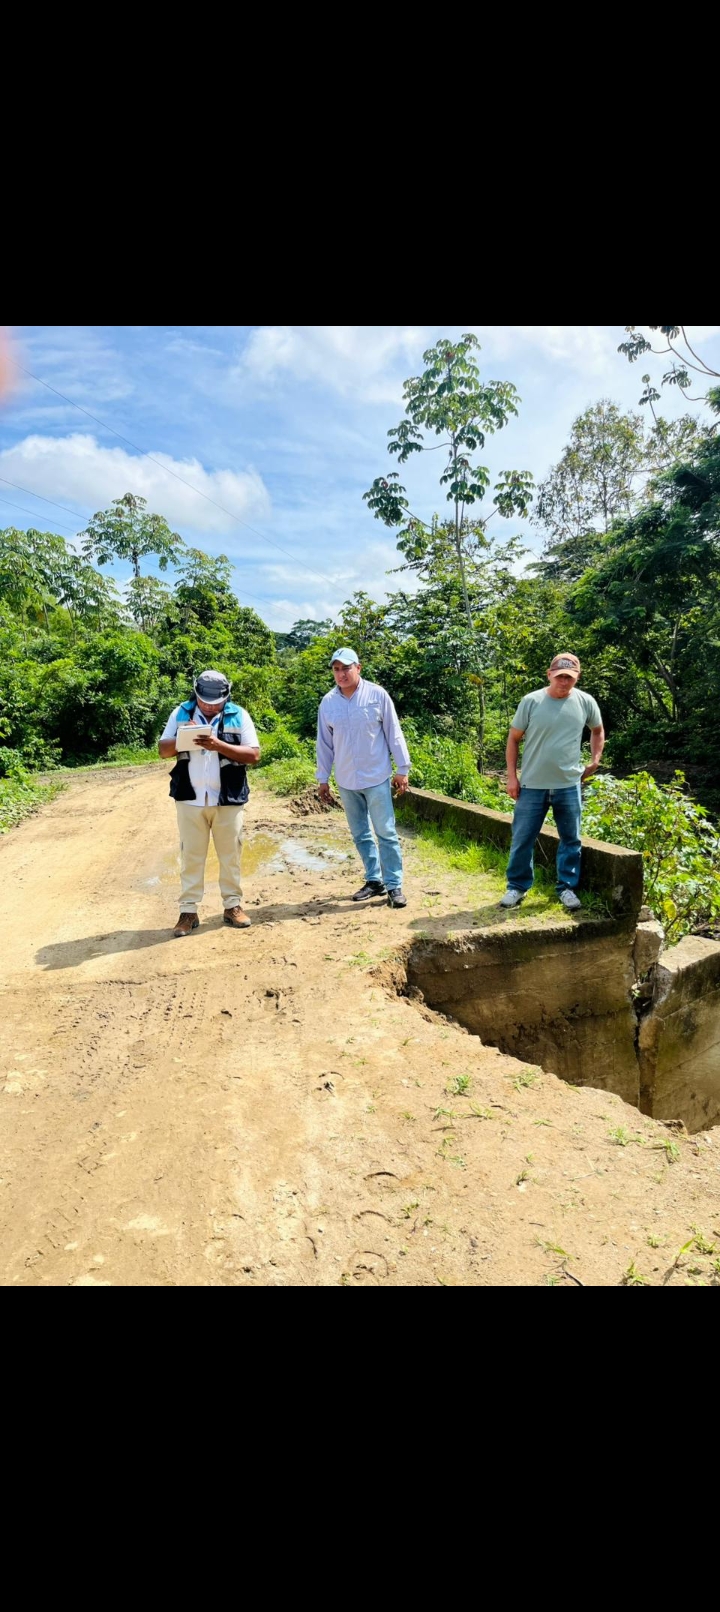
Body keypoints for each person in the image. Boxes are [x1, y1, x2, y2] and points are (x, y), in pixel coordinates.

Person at [158, 669, 260, 937]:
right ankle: (188, 911)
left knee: (231, 855)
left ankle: (232, 906)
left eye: (216, 703)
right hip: (189, 799)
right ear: (196, 693)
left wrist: (218, 745)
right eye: (205, 701)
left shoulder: (239, 715)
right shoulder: (181, 713)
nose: (210, 706)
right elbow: (163, 750)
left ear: (226, 697)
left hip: (228, 798)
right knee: (191, 856)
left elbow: (253, 755)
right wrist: (184, 738)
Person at [500, 653, 604, 911]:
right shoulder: (531, 701)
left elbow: (597, 730)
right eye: (560, 677)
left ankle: (567, 887)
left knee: (571, 839)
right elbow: (513, 738)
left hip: (568, 785)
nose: (564, 682)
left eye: (569, 677)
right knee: (522, 838)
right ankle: (517, 886)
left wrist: (595, 761)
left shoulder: (585, 702)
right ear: (549, 675)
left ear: (577, 677)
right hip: (532, 785)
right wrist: (512, 777)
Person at [316, 648, 411, 908]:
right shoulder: (328, 702)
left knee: (386, 832)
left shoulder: (377, 695)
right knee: (360, 833)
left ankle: (394, 885)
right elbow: (324, 744)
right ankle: (374, 880)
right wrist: (323, 778)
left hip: (376, 776)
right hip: (346, 779)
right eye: (336, 669)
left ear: (358, 668)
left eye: (346, 668)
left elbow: (394, 732)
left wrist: (402, 768)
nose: (341, 674)